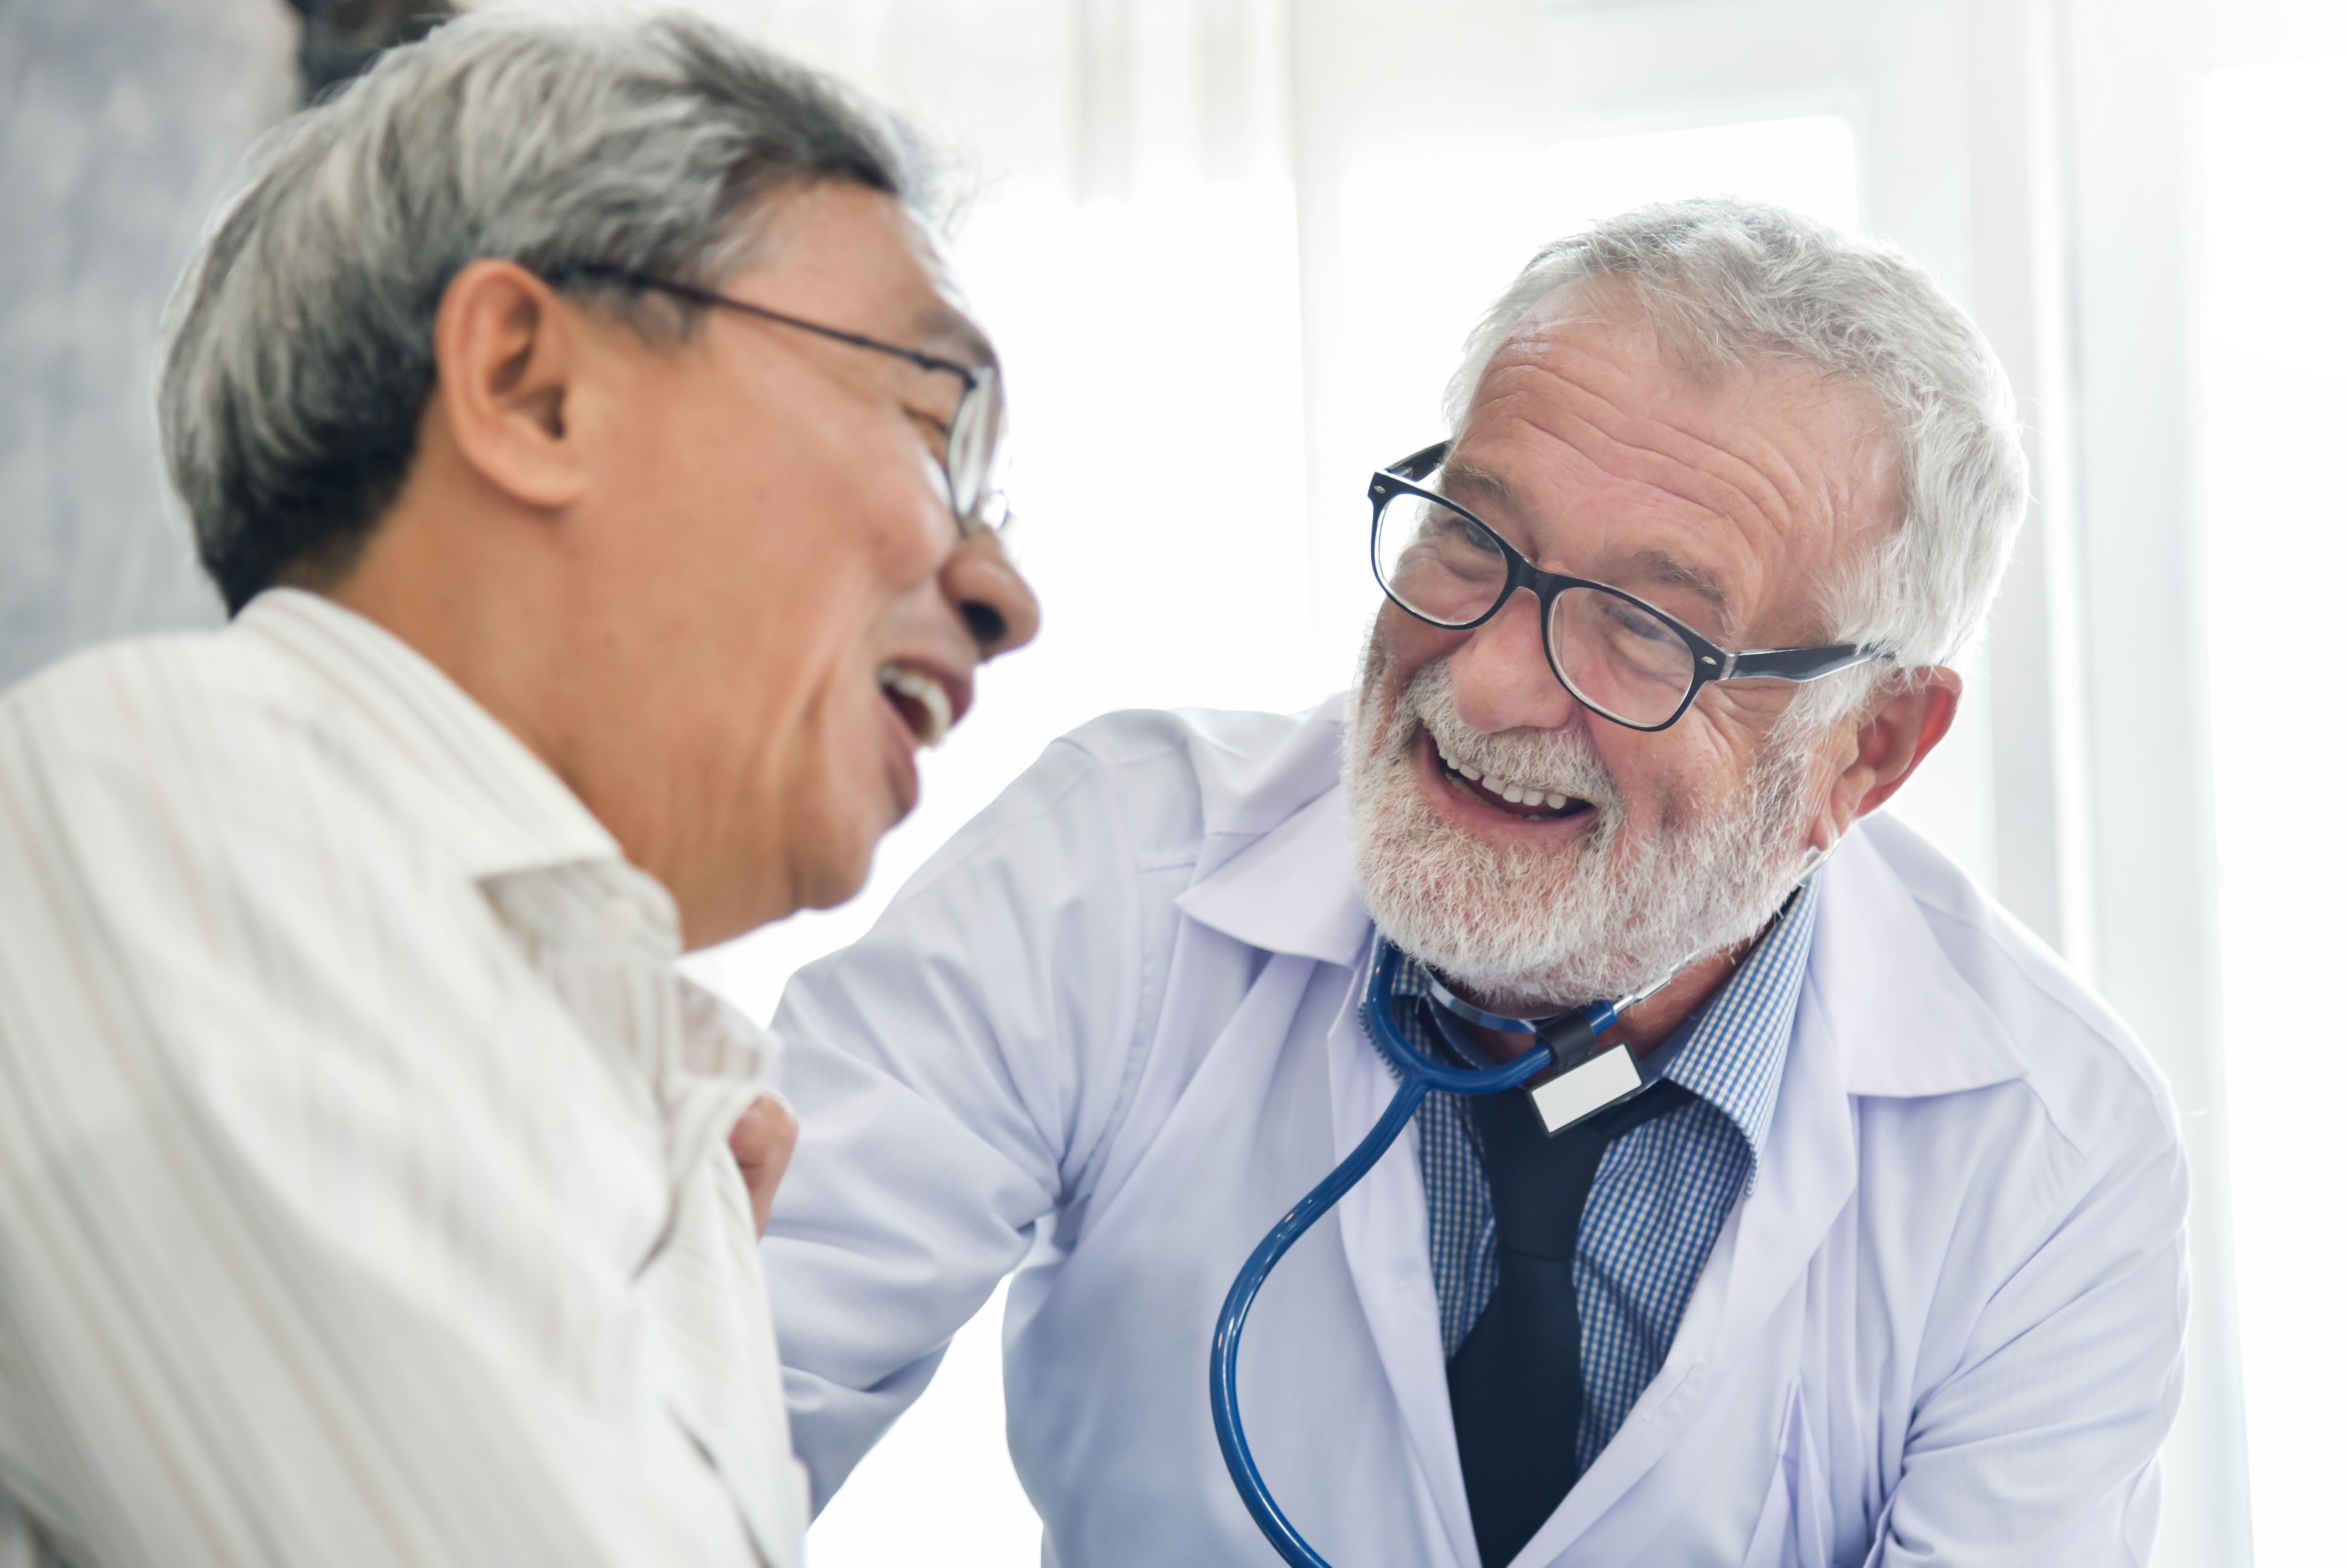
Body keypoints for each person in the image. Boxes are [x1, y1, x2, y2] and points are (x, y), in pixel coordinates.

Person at [762, 198, 2187, 1567]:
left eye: (1642, 631)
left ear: (1863, 754)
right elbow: (698, 1396)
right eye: (1474, 540)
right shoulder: (1114, 870)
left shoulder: (2046, 1147)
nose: (1492, 677)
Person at [0, 10, 1035, 1568]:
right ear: (530, 384)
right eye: (926, 423)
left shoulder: (648, 1105)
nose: (1004, 591)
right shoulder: (147, 800)